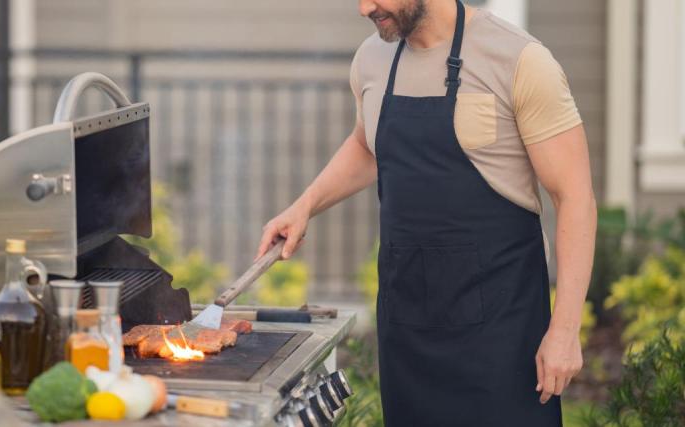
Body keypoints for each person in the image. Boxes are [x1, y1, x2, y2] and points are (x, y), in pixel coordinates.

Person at [255, 0, 596, 425]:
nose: (364, 8)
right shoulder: (372, 59)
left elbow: (575, 197)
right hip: (407, 331)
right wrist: (304, 206)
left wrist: (565, 331)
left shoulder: (520, 60)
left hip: (501, 336)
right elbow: (367, 145)